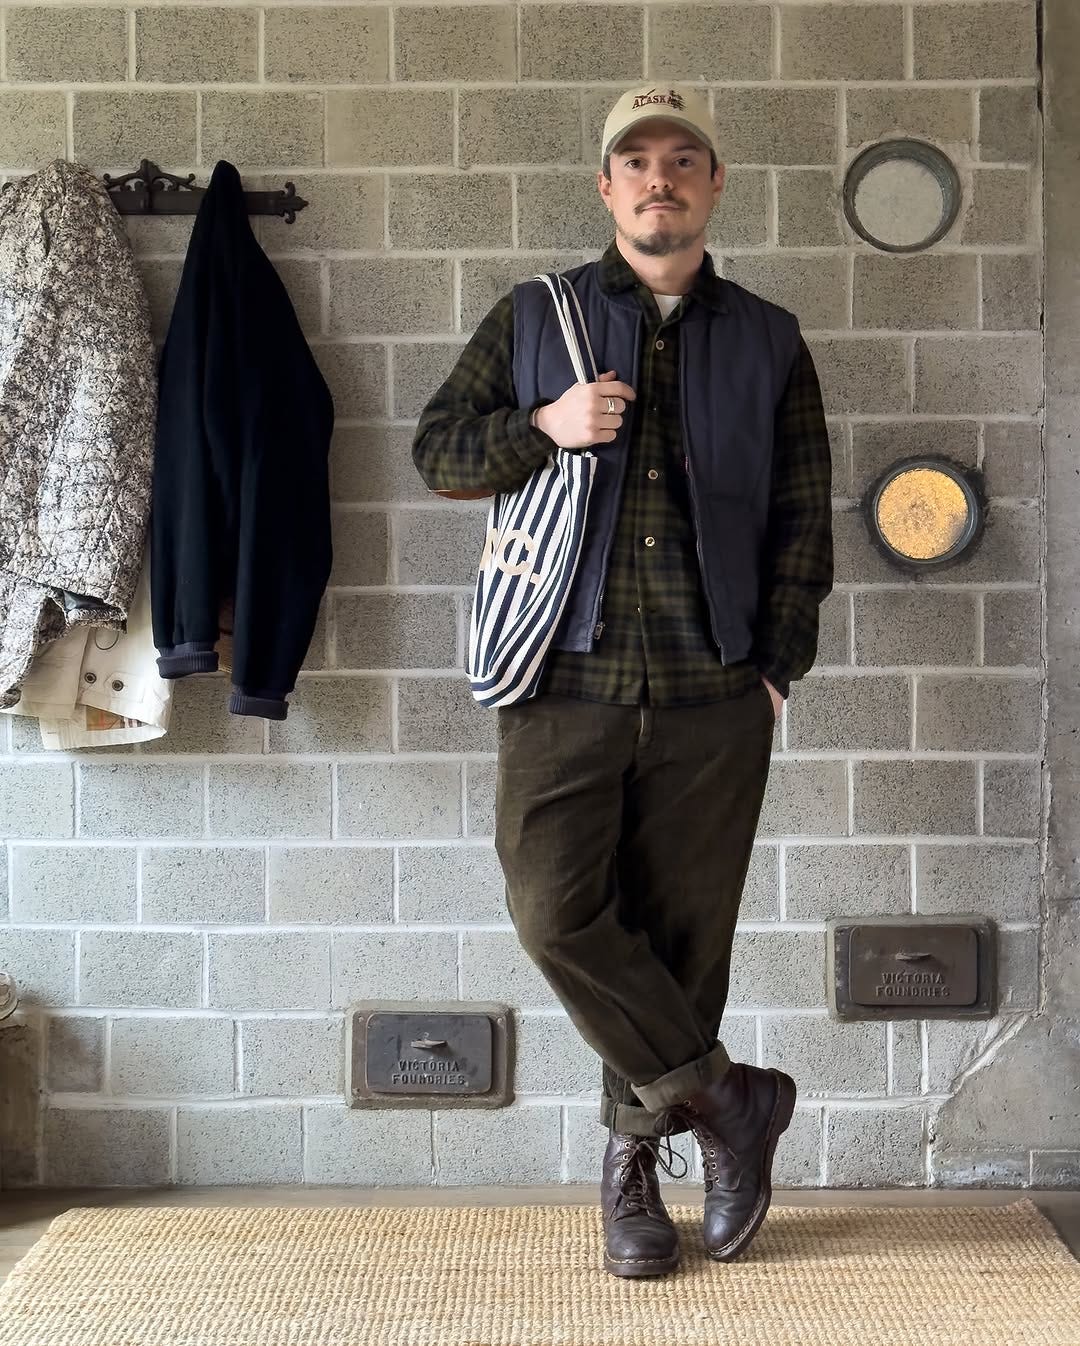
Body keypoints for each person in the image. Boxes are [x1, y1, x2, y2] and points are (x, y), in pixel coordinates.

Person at [412, 82, 833, 1278]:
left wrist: (777, 669)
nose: (660, 178)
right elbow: (437, 446)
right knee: (557, 913)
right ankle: (730, 1098)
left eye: (683, 159)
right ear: (607, 188)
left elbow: (805, 517)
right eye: (636, 161)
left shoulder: (768, 337)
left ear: (713, 186)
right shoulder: (536, 316)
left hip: (716, 694)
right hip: (563, 682)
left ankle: (633, 1173)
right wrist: (543, 423)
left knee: (684, 943)